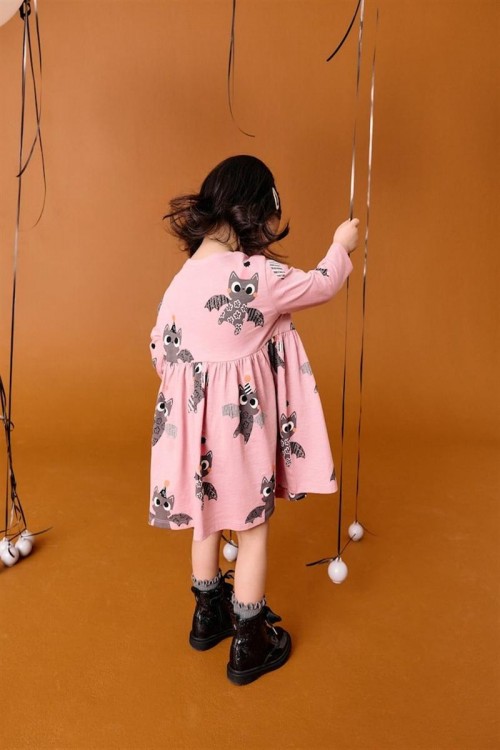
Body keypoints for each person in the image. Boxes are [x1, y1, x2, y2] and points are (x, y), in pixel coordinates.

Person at [149, 154, 358, 685]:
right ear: (254, 212)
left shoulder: (180, 281)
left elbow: (160, 351)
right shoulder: (258, 274)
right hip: (240, 432)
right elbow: (321, 285)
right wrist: (341, 245)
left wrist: (198, 390)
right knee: (253, 530)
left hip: (192, 431)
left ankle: (206, 615)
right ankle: (248, 641)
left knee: (206, 521)